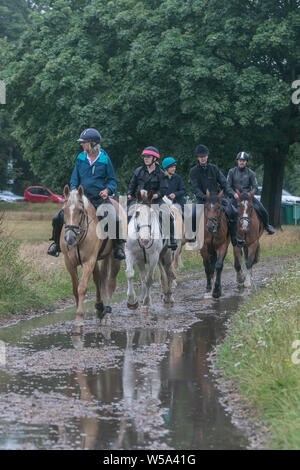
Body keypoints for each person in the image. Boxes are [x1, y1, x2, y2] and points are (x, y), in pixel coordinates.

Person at [47, 128, 126, 260]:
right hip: (81, 198)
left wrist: (107, 190)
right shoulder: (80, 157)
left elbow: (112, 181)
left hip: (99, 198)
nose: (81, 144)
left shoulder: (105, 159)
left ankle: (117, 247)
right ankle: (56, 244)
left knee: (114, 218)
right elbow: (74, 178)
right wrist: (73, 189)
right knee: (57, 217)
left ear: (93, 143)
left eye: (84, 142)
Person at [127, 146, 177, 250]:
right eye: (144, 156)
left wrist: (156, 195)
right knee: (127, 214)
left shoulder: (161, 174)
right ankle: (123, 240)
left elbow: (163, 189)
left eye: (148, 157)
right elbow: (132, 184)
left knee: (168, 216)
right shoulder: (138, 171)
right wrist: (129, 194)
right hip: (139, 200)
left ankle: (172, 239)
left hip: (155, 201)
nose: (146, 158)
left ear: (155, 159)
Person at [189, 144, 238, 245]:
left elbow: (224, 183)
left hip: (217, 199)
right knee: (192, 214)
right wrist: (204, 196)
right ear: (198, 158)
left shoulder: (214, 168)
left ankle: (234, 237)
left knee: (234, 211)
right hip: (202, 199)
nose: (202, 158)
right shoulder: (193, 171)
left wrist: (232, 193)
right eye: (200, 157)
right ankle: (193, 236)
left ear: (207, 156)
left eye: (204, 156)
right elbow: (195, 188)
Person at [227, 151, 275, 237]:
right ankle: (227, 231)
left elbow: (255, 186)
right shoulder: (231, 172)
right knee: (227, 211)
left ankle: (267, 226)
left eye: (244, 160)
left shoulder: (251, 173)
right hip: (236, 198)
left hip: (248, 198)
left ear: (246, 162)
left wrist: (249, 194)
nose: (242, 162)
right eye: (240, 160)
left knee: (263, 210)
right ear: (237, 161)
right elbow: (228, 186)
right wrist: (234, 194)